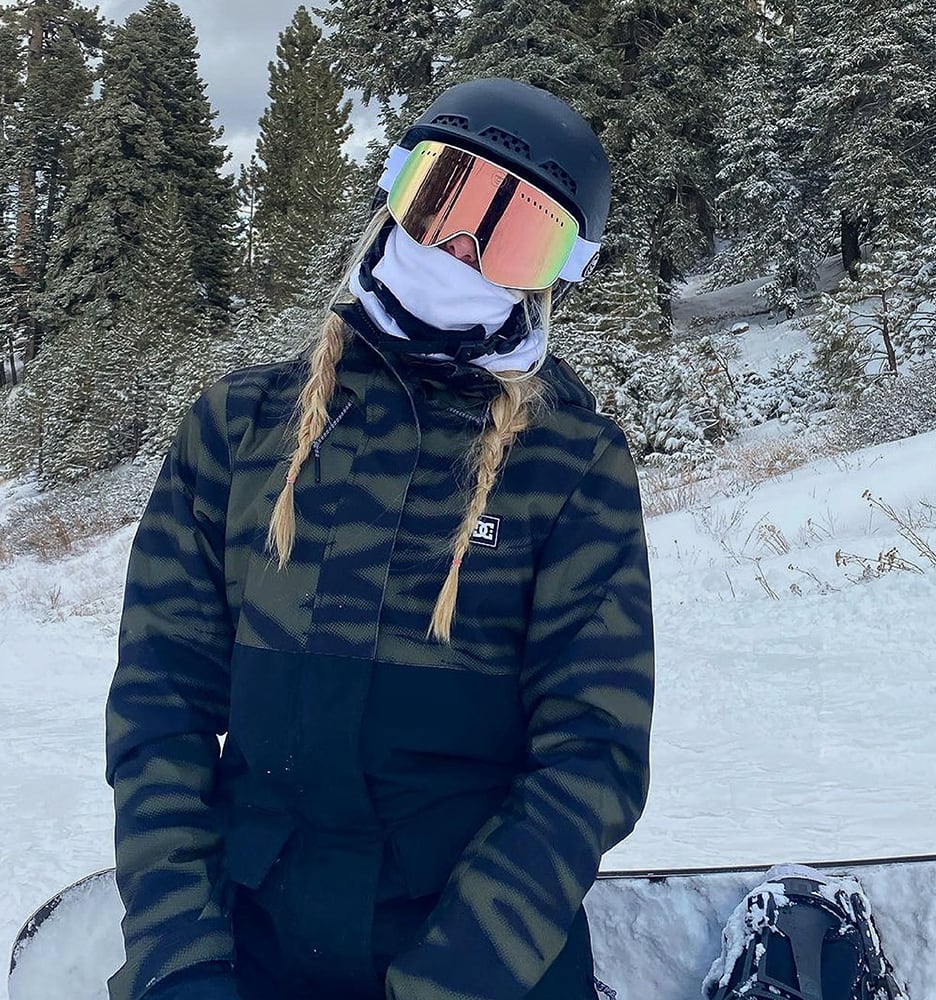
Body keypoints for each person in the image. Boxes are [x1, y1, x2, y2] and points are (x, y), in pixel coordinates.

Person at [104, 78, 653, 1000]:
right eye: (445, 199)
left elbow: (592, 752)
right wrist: (180, 958)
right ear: (395, 194)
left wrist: (453, 982)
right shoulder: (239, 429)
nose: (461, 248)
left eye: (515, 235)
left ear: (554, 273)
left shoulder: (570, 463)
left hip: (479, 967)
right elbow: (161, 704)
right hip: (249, 947)